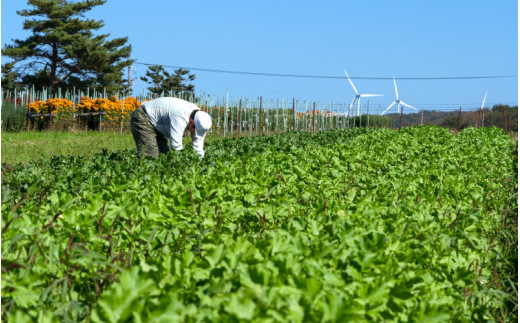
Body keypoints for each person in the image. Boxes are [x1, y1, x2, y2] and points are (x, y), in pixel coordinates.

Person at [130, 97, 212, 158]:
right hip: (143, 117)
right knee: (151, 157)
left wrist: (199, 162)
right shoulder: (180, 116)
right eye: (195, 130)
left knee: (164, 156)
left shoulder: (200, 119)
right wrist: (183, 164)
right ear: (191, 122)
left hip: (157, 122)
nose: (195, 133)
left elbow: (198, 146)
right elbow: (176, 146)